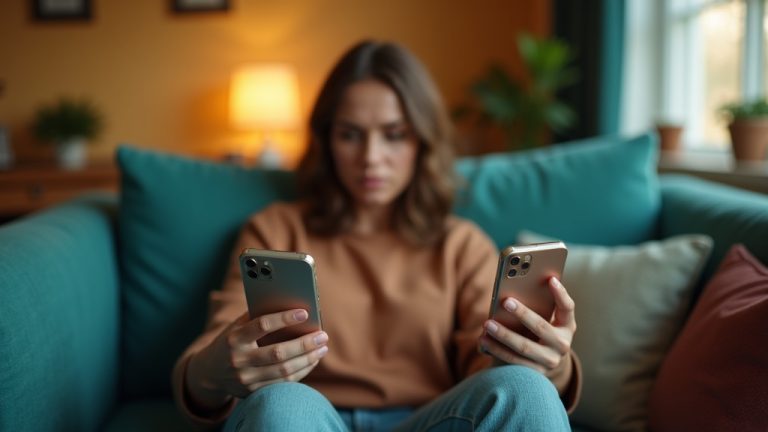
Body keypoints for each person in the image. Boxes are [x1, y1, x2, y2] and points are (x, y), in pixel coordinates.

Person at [172, 40, 581, 432]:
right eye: (350, 134)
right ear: (327, 140)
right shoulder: (276, 229)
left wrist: (549, 364)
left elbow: (487, 366)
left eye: (394, 134)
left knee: (527, 389)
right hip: (306, 420)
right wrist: (210, 370)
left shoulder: (460, 244)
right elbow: (216, 352)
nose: (371, 157)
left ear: (422, 140)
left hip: (432, 420)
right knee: (283, 403)